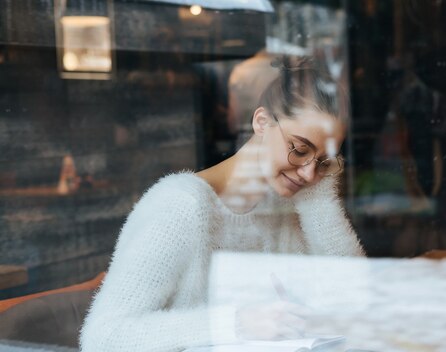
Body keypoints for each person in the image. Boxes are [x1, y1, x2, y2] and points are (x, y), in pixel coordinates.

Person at [79, 56, 365, 352]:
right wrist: (235, 324)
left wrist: (317, 190)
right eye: (300, 149)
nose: (309, 172)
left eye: (323, 161)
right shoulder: (180, 205)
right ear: (262, 122)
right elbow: (104, 337)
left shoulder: (288, 201)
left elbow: (355, 299)